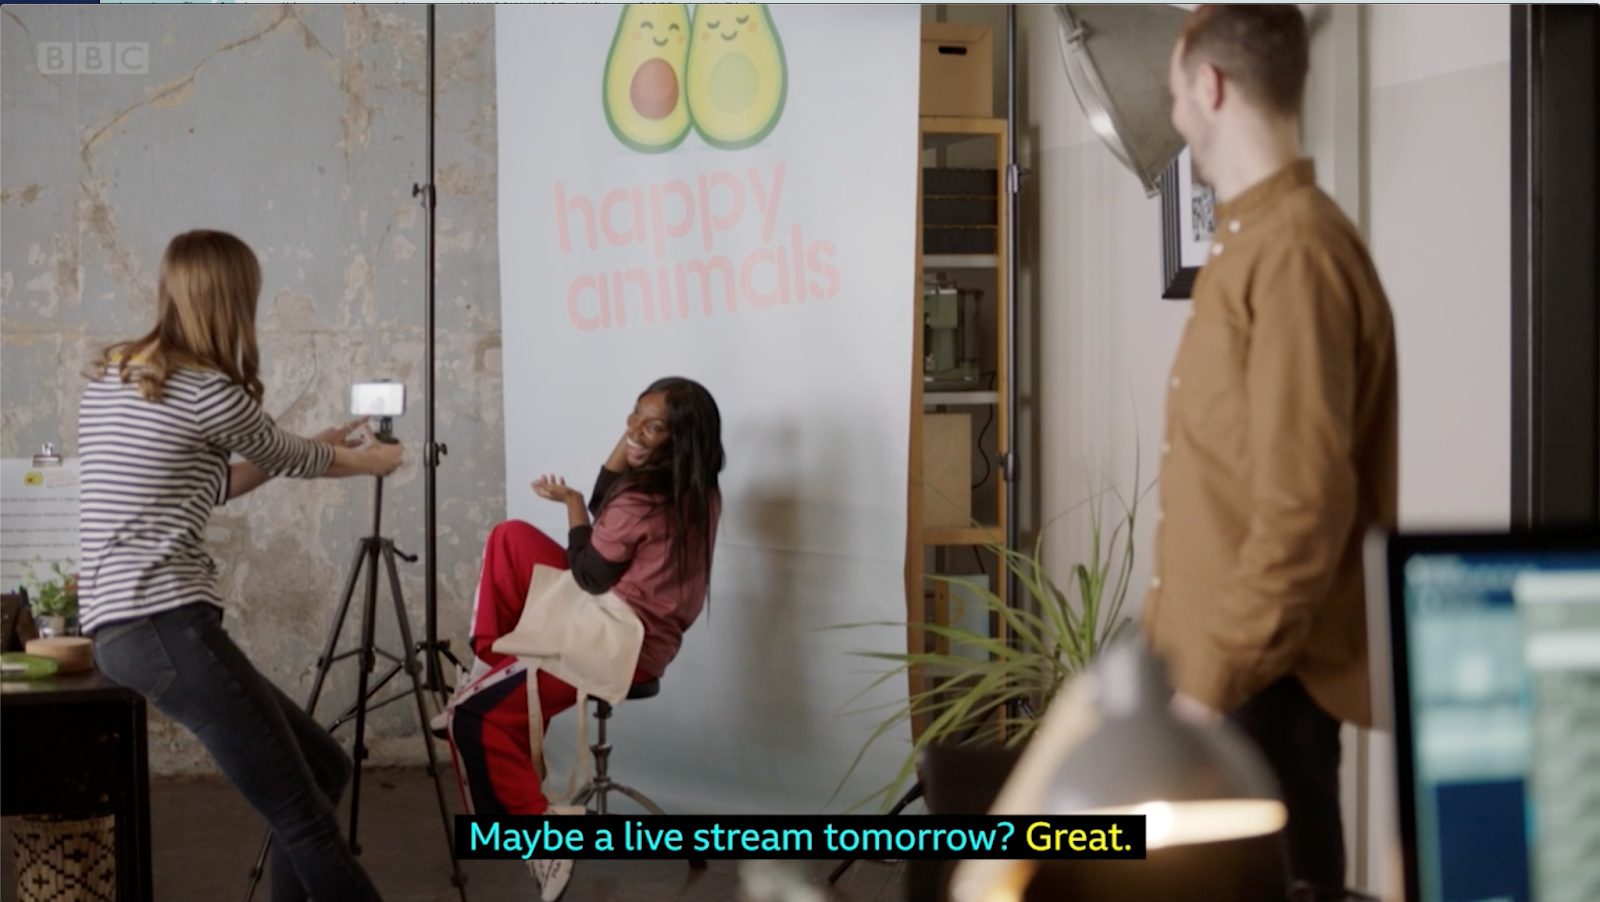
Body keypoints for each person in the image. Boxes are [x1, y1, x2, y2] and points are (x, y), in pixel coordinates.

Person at [1143, 5, 1399, 894]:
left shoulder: (1297, 254)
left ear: (1210, 87)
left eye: (1177, 95)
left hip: (1256, 700)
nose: (1176, 117)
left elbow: (1303, 510)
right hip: (1214, 692)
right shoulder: (1251, 242)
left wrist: (1205, 689)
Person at [80, 230, 405, 902]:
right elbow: (297, 462)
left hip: (124, 631)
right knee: (306, 819)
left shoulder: (119, 375)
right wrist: (374, 461)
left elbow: (214, 481)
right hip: (167, 623)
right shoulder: (207, 390)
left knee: (321, 768)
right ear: (234, 298)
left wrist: (311, 441)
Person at [444, 376, 724, 902]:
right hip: (627, 624)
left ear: (681, 438)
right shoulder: (699, 484)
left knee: (471, 717)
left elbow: (592, 569)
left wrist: (573, 504)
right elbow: (609, 504)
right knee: (511, 538)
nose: (636, 432)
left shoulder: (643, 500)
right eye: (633, 416)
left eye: (654, 426)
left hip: (617, 643)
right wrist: (639, 434)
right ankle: (487, 670)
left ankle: (545, 841)